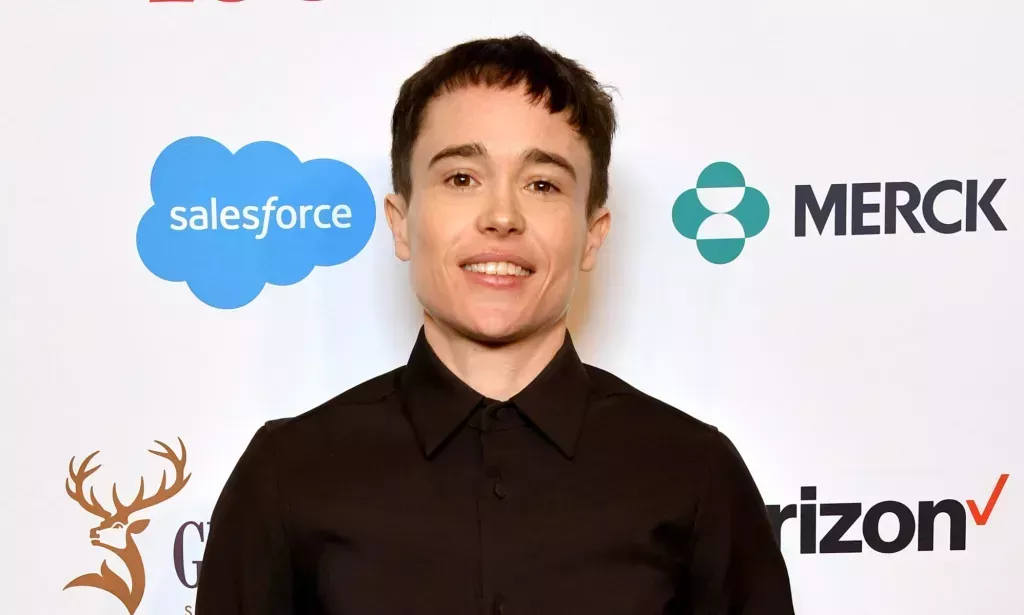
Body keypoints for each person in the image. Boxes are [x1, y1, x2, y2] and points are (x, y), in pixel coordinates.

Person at [195, 35, 795, 615]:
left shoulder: (694, 473)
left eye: (542, 184)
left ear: (593, 233)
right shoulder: (287, 473)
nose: (503, 216)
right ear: (401, 223)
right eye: (461, 178)